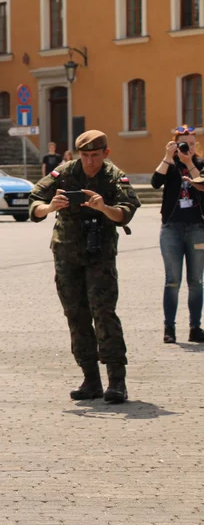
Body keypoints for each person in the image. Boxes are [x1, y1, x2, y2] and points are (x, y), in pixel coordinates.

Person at [29, 130, 141, 405]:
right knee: (76, 316)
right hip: (67, 254)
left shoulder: (114, 176)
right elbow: (34, 201)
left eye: (95, 156)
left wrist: (104, 208)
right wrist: (49, 207)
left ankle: (117, 381)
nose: (90, 161)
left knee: (104, 314)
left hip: (99, 255)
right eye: (85, 156)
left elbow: (126, 211)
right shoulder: (65, 172)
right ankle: (90, 379)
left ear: (106, 153)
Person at [151, 125, 204, 343]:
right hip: (171, 228)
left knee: (196, 281)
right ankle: (169, 328)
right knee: (172, 280)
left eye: (191, 144)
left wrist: (189, 163)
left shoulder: (200, 164)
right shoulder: (170, 165)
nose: (188, 148)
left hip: (197, 229)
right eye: (184, 144)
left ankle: (195, 328)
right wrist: (167, 157)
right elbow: (155, 183)